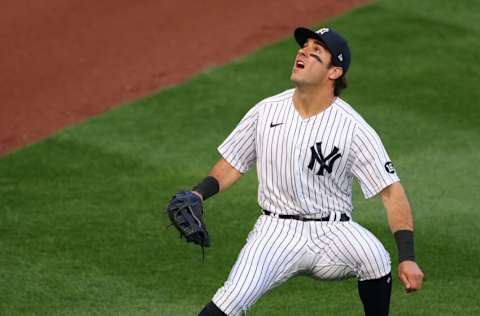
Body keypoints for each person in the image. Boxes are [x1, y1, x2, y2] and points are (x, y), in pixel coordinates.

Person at [180, 26, 424, 316]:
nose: (303, 52)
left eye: (316, 51)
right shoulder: (266, 111)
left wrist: (407, 257)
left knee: (374, 257)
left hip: (333, 231)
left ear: (334, 72)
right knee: (230, 301)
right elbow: (233, 163)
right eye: (303, 47)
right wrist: (198, 192)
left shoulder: (354, 128)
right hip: (275, 232)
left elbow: (391, 192)